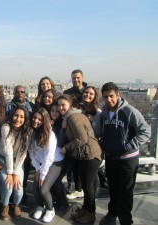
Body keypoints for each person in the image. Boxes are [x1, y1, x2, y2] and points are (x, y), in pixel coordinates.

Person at [99, 82, 151, 225]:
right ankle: (112, 214)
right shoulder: (104, 112)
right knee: (113, 190)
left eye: (111, 96)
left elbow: (146, 131)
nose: (109, 100)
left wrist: (129, 146)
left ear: (118, 95)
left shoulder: (129, 111)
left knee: (126, 192)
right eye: (105, 97)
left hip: (127, 159)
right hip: (111, 158)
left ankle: (125, 220)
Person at [58, 94, 102, 224]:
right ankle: (86, 209)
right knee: (89, 185)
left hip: (89, 154)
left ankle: (91, 213)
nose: (61, 108)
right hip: (90, 154)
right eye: (59, 105)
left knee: (88, 186)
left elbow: (81, 139)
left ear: (70, 105)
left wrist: (66, 147)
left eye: (63, 105)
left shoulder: (73, 117)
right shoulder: (73, 116)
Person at [0, 106, 31, 220]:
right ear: (12, 116)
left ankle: (17, 205)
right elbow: (8, 151)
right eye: (16, 115)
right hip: (2, 159)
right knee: (8, 185)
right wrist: (10, 173)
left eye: (22, 117)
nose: (18, 119)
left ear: (25, 119)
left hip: (17, 161)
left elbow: (23, 153)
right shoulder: (6, 127)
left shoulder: (27, 131)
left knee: (19, 187)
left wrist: (16, 173)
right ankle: (5, 206)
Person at [29, 108, 64, 223]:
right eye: (34, 118)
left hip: (55, 162)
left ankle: (50, 209)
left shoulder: (50, 135)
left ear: (44, 121)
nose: (36, 121)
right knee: (35, 187)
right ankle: (40, 206)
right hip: (40, 163)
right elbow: (31, 152)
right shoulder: (32, 132)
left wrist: (42, 175)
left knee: (43, 188)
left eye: (40, 119)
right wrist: (37, 170)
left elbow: (48, 158)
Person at [5, 85, 35, 200]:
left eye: (22, 92)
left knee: (25, 168)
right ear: (14, 93)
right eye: (17, 92)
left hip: (26, 140)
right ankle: (11, 193)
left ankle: (22, 190)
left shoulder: (31, 106)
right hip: (12, 141)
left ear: (25, 93)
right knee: (11, 166)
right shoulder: (8, 106)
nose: (20, 93)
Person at [63, 69, 87, 198]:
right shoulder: (68, 93)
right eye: (73, 78)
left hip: (84, 126)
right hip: (71, 127)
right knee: (71, 157)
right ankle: (71, 184)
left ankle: (80, 186)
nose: (76, 80)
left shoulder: (88, 90)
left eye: (78, 77)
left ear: (82, 77)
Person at [80, 86, 108, 188]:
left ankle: (91, 200)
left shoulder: (98, 112)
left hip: (92, 148)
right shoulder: (79, 108)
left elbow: (100, 132)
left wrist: (91, 122)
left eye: (91, 94)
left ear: (95, 96)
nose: (88, 95)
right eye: (86, 92)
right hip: (80, 146)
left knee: (90, 178)